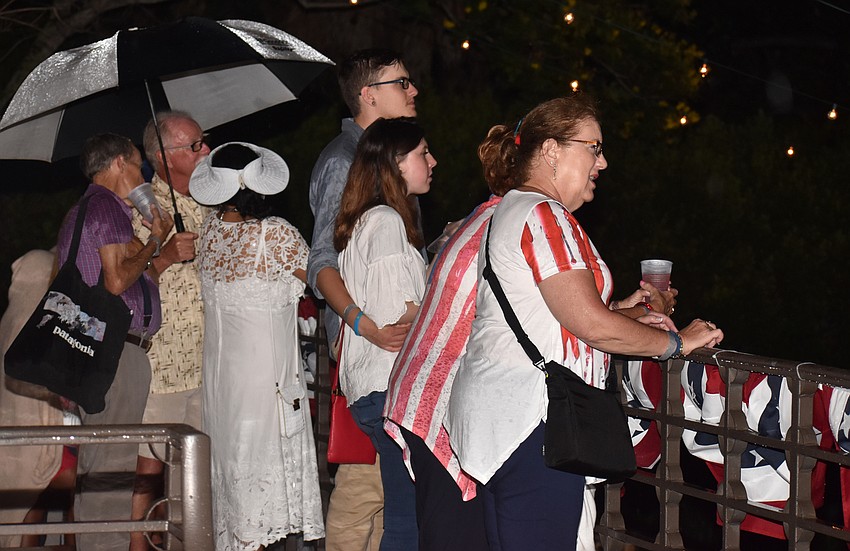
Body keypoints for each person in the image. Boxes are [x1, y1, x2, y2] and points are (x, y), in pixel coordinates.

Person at [444, 95, 723, 550]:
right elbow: (592, 325)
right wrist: (678, 344)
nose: (603, 162)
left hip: (499, 419)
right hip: (532, 423)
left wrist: (630, 314)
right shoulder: (544, 215)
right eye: (594, 148)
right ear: (551, 150)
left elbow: (554, 315)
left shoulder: (511, 209)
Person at [307, 48, 418, 551]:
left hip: (379, 351)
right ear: (369, 95)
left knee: (377, 488)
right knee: (370, 490)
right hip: (372, 353)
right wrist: (364, 326)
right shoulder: (345, 160)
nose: (413, 91)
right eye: (402, 82)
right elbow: (323, 261)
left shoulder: (382, 154)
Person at [189, 142, 325, 550]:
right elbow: (322, 279)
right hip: (264, 385)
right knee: (259, 494)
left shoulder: (209, 231)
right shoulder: (274, 234)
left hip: (222, 386)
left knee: (235, 487)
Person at [57, 133, 172, 551]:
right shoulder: (105, 206)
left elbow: (142, 275)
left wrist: (152, 238)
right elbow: (118, 280)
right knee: (112, 464)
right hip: (115, 350)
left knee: (104, 462)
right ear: (120, 163)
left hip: (109, 349)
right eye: (139, 164)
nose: (143, 174)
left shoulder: (93, 209)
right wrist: (154, 241)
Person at [334, 117, 435, 551]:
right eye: (423, 153)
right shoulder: (387, 221)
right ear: (396, 163)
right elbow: (398, 312)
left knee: (402, 511)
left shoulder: (365, 220)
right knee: (408, 519)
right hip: (391, 387)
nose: (433, 161)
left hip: (374, 389)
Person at [129, 110, 210, 550]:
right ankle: (135, 545)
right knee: (150, 466)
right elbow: (122, 285)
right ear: (163, 157)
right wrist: (163, 257)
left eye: (203, 140)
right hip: (163, 361)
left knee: (194, 471)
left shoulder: (211, 202)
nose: (206, 150)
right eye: (194, 145)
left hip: (208, 358)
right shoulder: (141, 210)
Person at [0, 249, 76, 548]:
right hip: (49, 451)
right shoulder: (47, 326)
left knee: (30, 510)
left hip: (13, 455)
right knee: (83, 490)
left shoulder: (6, 324)